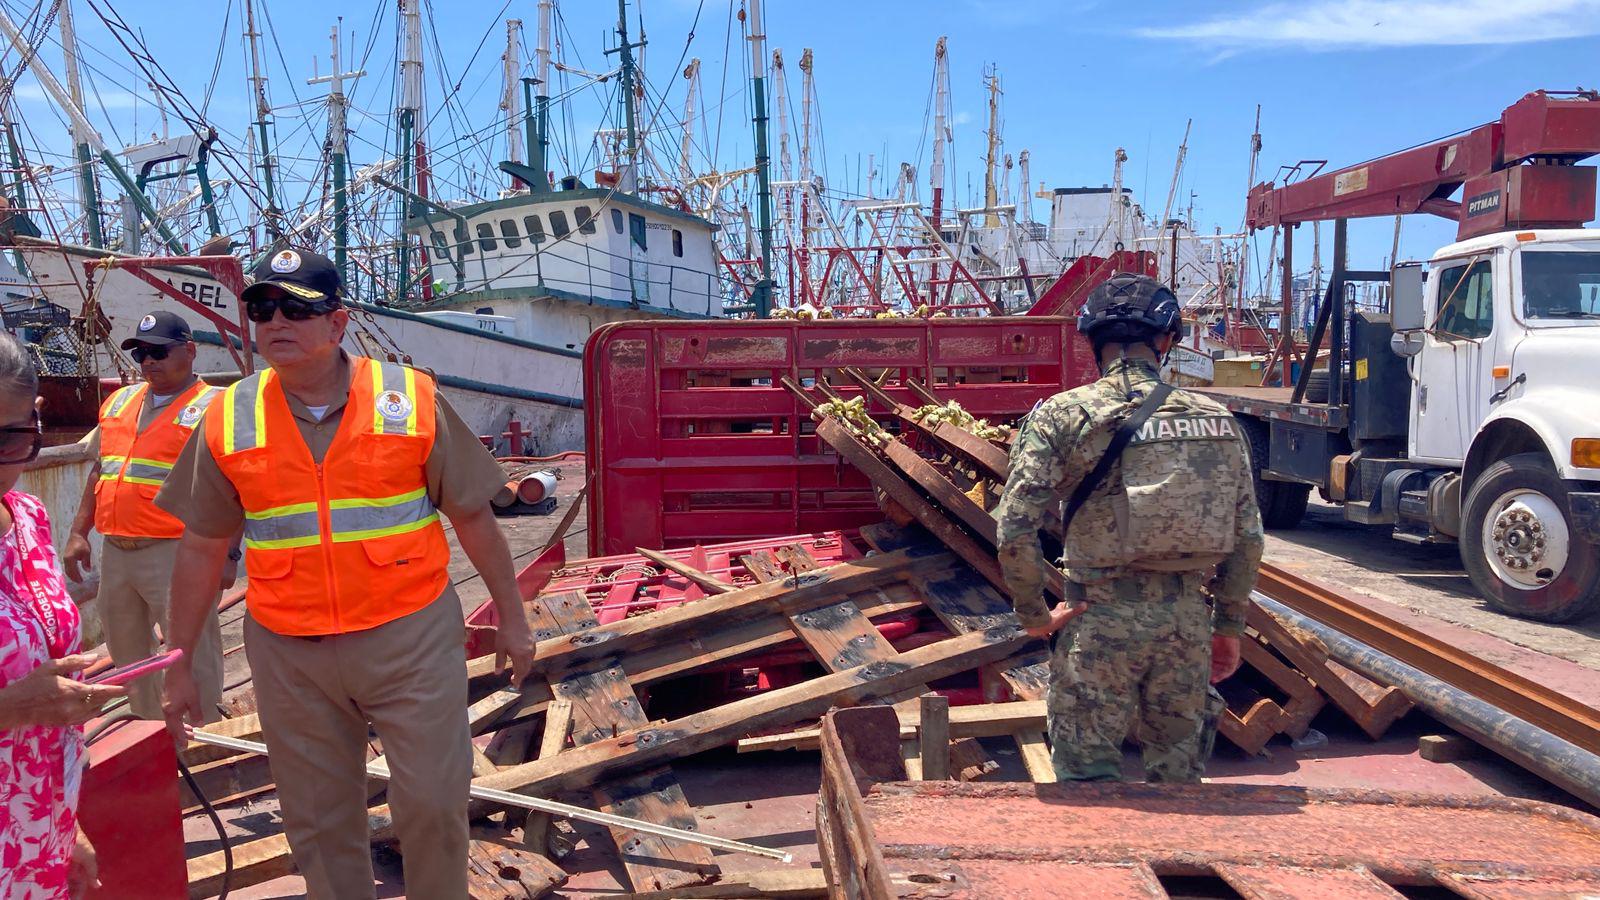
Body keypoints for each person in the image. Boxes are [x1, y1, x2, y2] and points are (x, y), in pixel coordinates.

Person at [156, 249, 537, 900]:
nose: (276, 321)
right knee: (318, 824)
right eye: (262, 308)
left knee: (434, 805)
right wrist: (180, 658)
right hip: (288, 652)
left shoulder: (410, 399)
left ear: (337, 323)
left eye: (297, 308)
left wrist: (514, 616)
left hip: (408, 641)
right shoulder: (227, 416)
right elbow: (201, 548)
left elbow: (474, 516)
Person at [994, 273, 1263, 783]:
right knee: (1179, 778)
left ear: (1093, 342)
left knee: (1087, 779)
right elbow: (1247, 538)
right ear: (1166, 341)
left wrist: (1033, 613)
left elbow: (1015, 525)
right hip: (1185, 621)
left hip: (1094, 617)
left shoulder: (1064, 415)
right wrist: (1227, 627)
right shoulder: (1216, 418)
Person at [0, 330, 128, 899]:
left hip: (38, 829)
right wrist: (11, 707)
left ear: (35, 420)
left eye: (8, 437)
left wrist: (65, 825)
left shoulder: (26, 517)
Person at [62, 311, 228, 722]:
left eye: (159, 352)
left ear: (189, 352)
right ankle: (150, 732)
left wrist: (230, 553)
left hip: (177, 550)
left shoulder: (216, 407)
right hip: (117, 551)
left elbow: (234, 487)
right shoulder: (119, 402)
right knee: (127, 651)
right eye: (141, 353)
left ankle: (199, 732)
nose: (149, 362)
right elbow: (101, 469)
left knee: (188, 650)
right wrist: (79, 532)